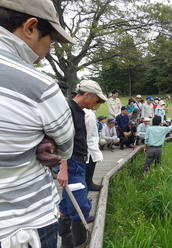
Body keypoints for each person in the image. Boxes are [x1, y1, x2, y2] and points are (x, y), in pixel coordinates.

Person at [0, 1, 75, 247]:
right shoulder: (40, 86)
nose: (48, 49)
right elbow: (64, 148)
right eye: (51, 40)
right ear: (30, 27)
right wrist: (44, 140)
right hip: (24, 224)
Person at [58, 80, 107, 247]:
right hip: (72, 163)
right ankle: (80, 243)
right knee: (80, 205)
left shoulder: (78, 110)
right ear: (88, 95)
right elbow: (62, 140)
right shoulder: (69, 110)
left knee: (66, 204)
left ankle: (66, 243)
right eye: (96, 99)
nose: (97, 104)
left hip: (78, 161)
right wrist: (63, 169)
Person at [84, 104, 103, 192]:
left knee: (92, 163)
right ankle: (88, 184)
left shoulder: (90, 113)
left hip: (91, 144)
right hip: (89, 144)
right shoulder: (89, 114)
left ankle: (89, 182)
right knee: (89, 165)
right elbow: (89, 132)